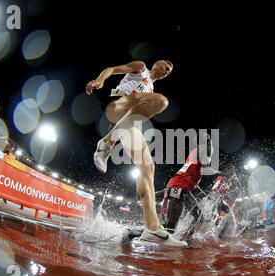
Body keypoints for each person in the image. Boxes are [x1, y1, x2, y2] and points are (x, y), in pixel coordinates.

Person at [86, 60, 187, 246]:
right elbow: (112, 67)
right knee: (161, 101)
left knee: (147, 167)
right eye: (165, 66)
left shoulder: (149, 88)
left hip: (127, 123)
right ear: (156, 64)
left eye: (170, 71)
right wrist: (100, 80)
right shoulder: (141, 68)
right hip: (117, 105)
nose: (167, 71)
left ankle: (152, 228)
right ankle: (108, 141)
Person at [161, 134, 224, 237]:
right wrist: (220, 173)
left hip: (184, 187)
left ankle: (187, 235)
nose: (210, 145)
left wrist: (199, 189)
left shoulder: (197, 153)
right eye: (208, 142)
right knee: (171, 224)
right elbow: (204, 170)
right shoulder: (201, 151)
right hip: (178, 185)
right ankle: (165, 237)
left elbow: (192, 173)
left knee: (198, 214)